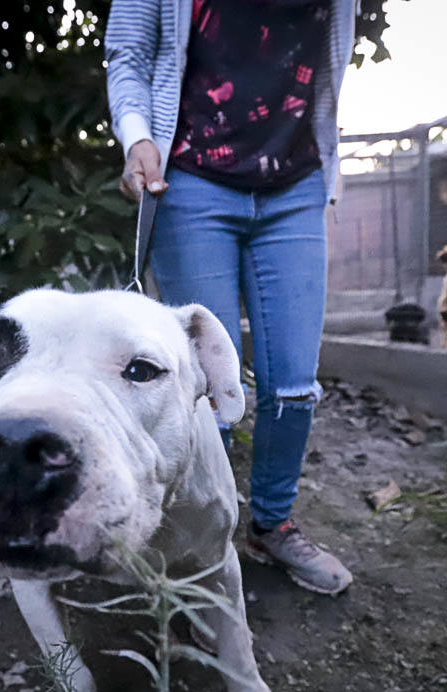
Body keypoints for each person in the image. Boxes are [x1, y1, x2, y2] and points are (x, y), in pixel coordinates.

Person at [105, 0, 356, 595]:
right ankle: (192, 538)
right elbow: (128, 55)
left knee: (294, 387)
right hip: (191, 182)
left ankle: (271, 524)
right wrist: (137, 137)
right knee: (203, 388)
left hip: (296, 182)